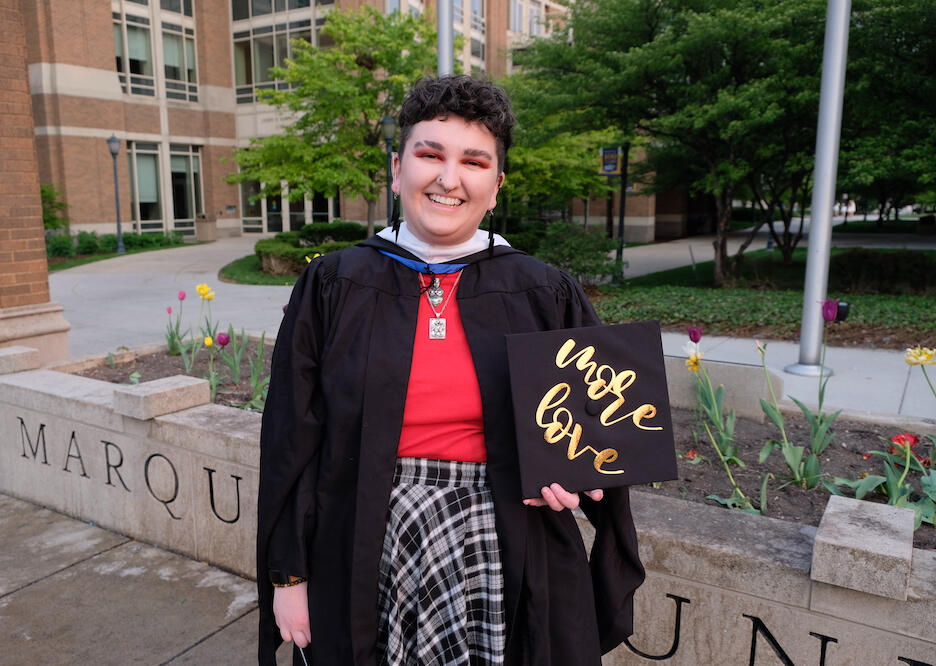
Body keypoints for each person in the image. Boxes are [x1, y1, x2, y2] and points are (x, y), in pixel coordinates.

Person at [257, 75, 644, 666]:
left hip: (506, 545)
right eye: (430, 154)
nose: (448, 177)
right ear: (397, 167)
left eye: (474, 161)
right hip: (363, 544)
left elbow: (599, 434)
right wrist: (289, 579)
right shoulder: (334, 284)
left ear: (496, 184)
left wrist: (581, 472)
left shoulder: (544, 292)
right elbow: (291, 439)